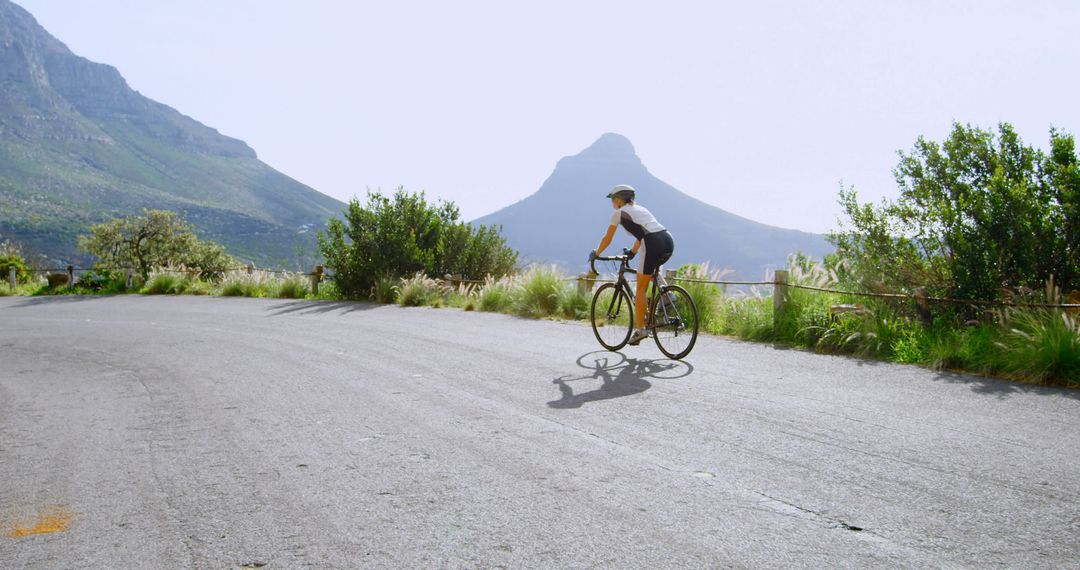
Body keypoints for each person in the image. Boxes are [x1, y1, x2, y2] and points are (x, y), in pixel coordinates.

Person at [589, 184, 675, 346]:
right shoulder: (641, 210)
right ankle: (667, 294)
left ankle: (641, 330)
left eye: (613, 199)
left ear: (619, 200)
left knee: (640, 289)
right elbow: (644, 233)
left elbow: (607, 238)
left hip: (652, 243)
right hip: (667, 240)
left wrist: (597, 253)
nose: (612, 203)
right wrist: (633, 252)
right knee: (649, 273)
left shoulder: (618, 214)